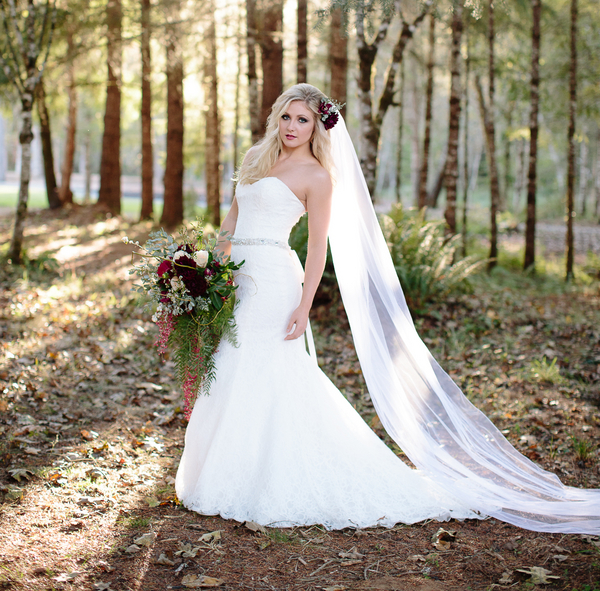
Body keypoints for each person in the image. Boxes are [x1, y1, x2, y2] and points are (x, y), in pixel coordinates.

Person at [176, 84, 600, 533]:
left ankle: (276, 475)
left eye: (304, 120)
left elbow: (318, 249)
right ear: (276, 117)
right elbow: (230, 222)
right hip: (237, 277)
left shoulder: (318, 177)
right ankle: (223, 472)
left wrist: (305, 303)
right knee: (231, 362)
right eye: (287, 117)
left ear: (318, 126)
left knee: (270, 366)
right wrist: (209, 273)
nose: (293, 127)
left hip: (277, 281)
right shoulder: (254, 160)